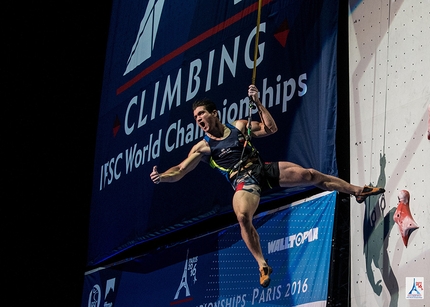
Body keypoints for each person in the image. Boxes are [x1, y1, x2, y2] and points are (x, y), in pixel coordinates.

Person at [150, 84, 385, 287]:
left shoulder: (239, 127)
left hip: (262, 169)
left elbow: (271, 129)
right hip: (243, 181)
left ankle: (357, 191)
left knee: (311, 174)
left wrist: (258, 102)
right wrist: (162, 176)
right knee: (243, 216)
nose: (199, 119)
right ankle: (263, 264)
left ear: (215, 113)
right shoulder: (203, 147)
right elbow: (179, 170)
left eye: (202, 114)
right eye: (196, 117)